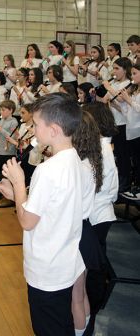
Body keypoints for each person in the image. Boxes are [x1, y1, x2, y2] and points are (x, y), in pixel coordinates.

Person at [0, 93, 85, 336]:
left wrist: (17, 182)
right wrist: (18, 196)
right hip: (65, 258)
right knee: (62, 320)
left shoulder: (47, 170)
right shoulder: (74, 158)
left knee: (49, 328)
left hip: (47, 268)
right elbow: (50, 207)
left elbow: (27, 221)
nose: (32, 129)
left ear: (53, 129)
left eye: (35, 124)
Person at [82, 102, 118, 333]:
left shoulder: (102, 150)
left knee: (94, 269)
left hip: (98, 214)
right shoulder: (100, 148)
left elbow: (105, 189)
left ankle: (92, 310)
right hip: (98, 213)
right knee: (93, 266)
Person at [71, 111, 103, 336]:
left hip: (78, 234)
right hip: (84, 230)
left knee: (76, 298)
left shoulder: (79, 167)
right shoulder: (88, 162)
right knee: (80, 295)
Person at [101, 57, 132, 192]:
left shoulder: (128, 84)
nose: (114, 72)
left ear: (125, 70)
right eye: (113, 68)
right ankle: (115, 179)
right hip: (113, 123)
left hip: (124, 123)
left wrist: (108, 87)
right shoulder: (114, 83)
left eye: (117, 68)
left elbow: (120, 98)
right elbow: (104, 100)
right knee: (115, 153)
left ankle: (125, 182)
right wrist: (95, 94)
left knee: (123, 154)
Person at [117, 64, 140, 198]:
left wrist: (128, 99)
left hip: (138, 131)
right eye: (131, 73)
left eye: (135, 73)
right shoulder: (135, 91)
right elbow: (129, 112)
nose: (132, 76)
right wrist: (118, 105)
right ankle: (135, 188)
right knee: (136, 162)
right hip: (131, 130)